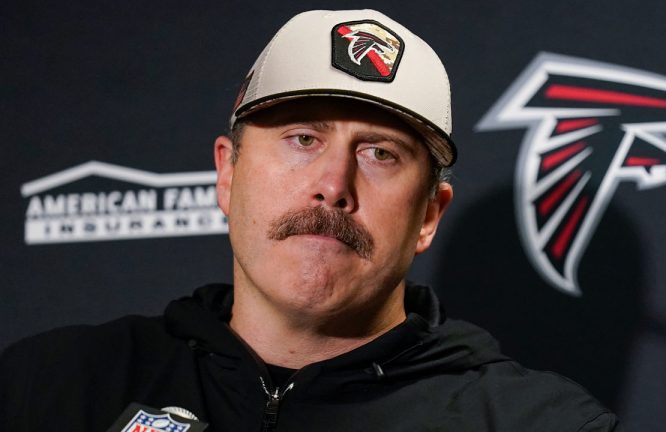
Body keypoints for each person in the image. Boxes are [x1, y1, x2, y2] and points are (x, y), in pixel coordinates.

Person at [0, 9, 621, 431]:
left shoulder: (539, 423)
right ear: (227, 172)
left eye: (381, 153)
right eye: (302, 138)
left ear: (429, 215)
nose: (333, 186)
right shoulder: (54, 388)